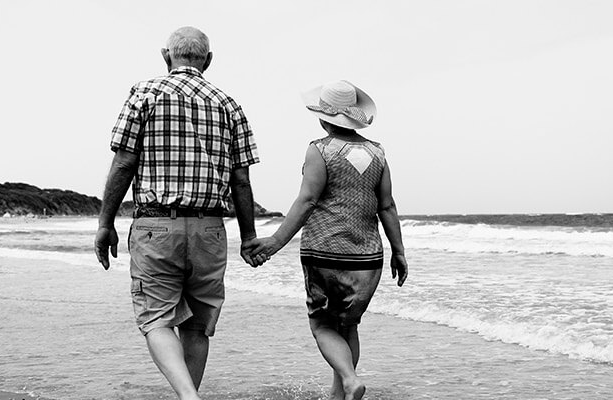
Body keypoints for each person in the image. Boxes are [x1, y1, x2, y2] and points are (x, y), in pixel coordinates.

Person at [94, 26, 260, 400]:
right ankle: (189, 395)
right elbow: (241, 180)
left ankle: (188, 396)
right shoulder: (228, 104)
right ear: (209, 60)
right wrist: (248, 236)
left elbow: (124, 162)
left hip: (157, 224)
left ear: (166, 56)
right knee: (197, 328)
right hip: (210, 231)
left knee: (156, 319)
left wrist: (106, 223)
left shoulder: (145, 93)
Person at [243, 80, 408, 400]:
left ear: (323, 118)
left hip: (325, 252)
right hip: (368, 257)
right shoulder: (378, 153)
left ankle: (348, 379)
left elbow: (307, 201)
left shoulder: (319, 149)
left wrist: (275, 243)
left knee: (322, 325)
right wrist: (398, 251)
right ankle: (340, 394)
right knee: (348, 327)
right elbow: (387, 205)